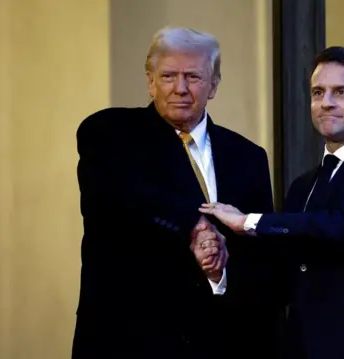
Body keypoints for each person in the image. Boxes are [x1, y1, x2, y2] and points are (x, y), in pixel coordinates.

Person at [72, 26, 285, 359]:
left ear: (214, 86)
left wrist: (220, 272)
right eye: (168, 76)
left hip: (221, 340)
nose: (180, 89)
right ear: (150, 81)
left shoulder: (248, 156)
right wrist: (195, 226)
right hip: (130, 339)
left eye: (194, 77)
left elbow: (260, 255)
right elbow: (118, 203)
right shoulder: (111, 134)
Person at [199, 46, 344, 359]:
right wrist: (219, 269)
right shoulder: (303, 185)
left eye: (341, 92)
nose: (326, 103)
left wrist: (250, 221)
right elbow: (285, 272)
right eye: (318, 92)